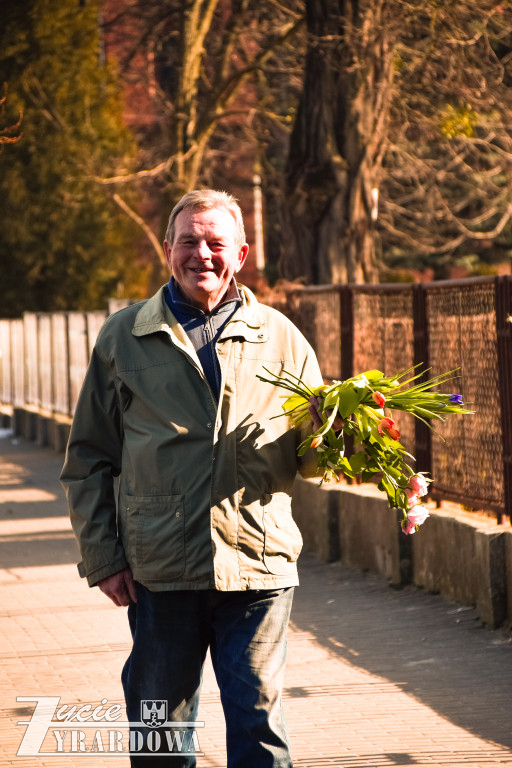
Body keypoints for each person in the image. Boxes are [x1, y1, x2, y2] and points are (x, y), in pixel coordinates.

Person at [61, 189, 327, 768]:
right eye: (188, 241)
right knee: (162, 735)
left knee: (259, 726)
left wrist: (341, 435)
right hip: (161, 570)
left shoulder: (280, 336)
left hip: (257, 566)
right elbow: (87, 458)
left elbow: (311, 459)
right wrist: (103, 558)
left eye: (216, 242)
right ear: (167, 251)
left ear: (242, 253)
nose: (201, 254)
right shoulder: (123, 336)